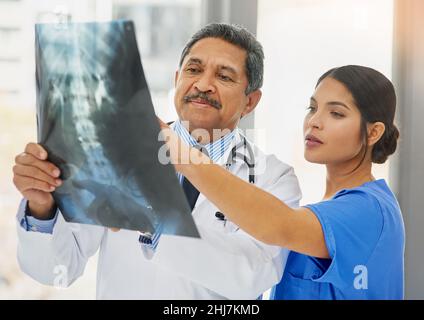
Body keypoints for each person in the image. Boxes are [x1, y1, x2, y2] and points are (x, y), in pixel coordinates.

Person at [12, 23, 301, 299]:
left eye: (224, 76)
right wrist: (42, 208)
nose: (203, 84)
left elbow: (254, 276)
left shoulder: (272, 178)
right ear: (177, 80)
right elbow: (56, 270)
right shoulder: (116, 152)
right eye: (193, 69)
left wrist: (152, 219)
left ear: (250, 101)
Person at [162, 65, 405, 299]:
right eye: (312, 108)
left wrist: (182, 155)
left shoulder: (369, 210)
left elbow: (277, 225)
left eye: (336, 113)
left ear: (373, 133)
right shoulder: (326, 209)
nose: (314, 121)